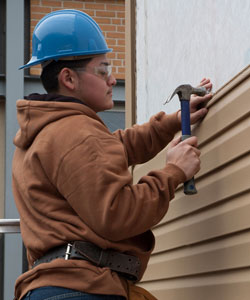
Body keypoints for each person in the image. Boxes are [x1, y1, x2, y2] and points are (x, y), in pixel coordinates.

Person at [12, 9, 212, 300]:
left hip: (58, 288)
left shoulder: (48, 130)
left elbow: (113, 148)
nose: (111, 80)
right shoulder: (75, 131)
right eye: (103, 70)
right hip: (82, 291)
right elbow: (117, 214)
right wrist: (173, 172)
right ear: (69, 78)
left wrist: (171, 122)